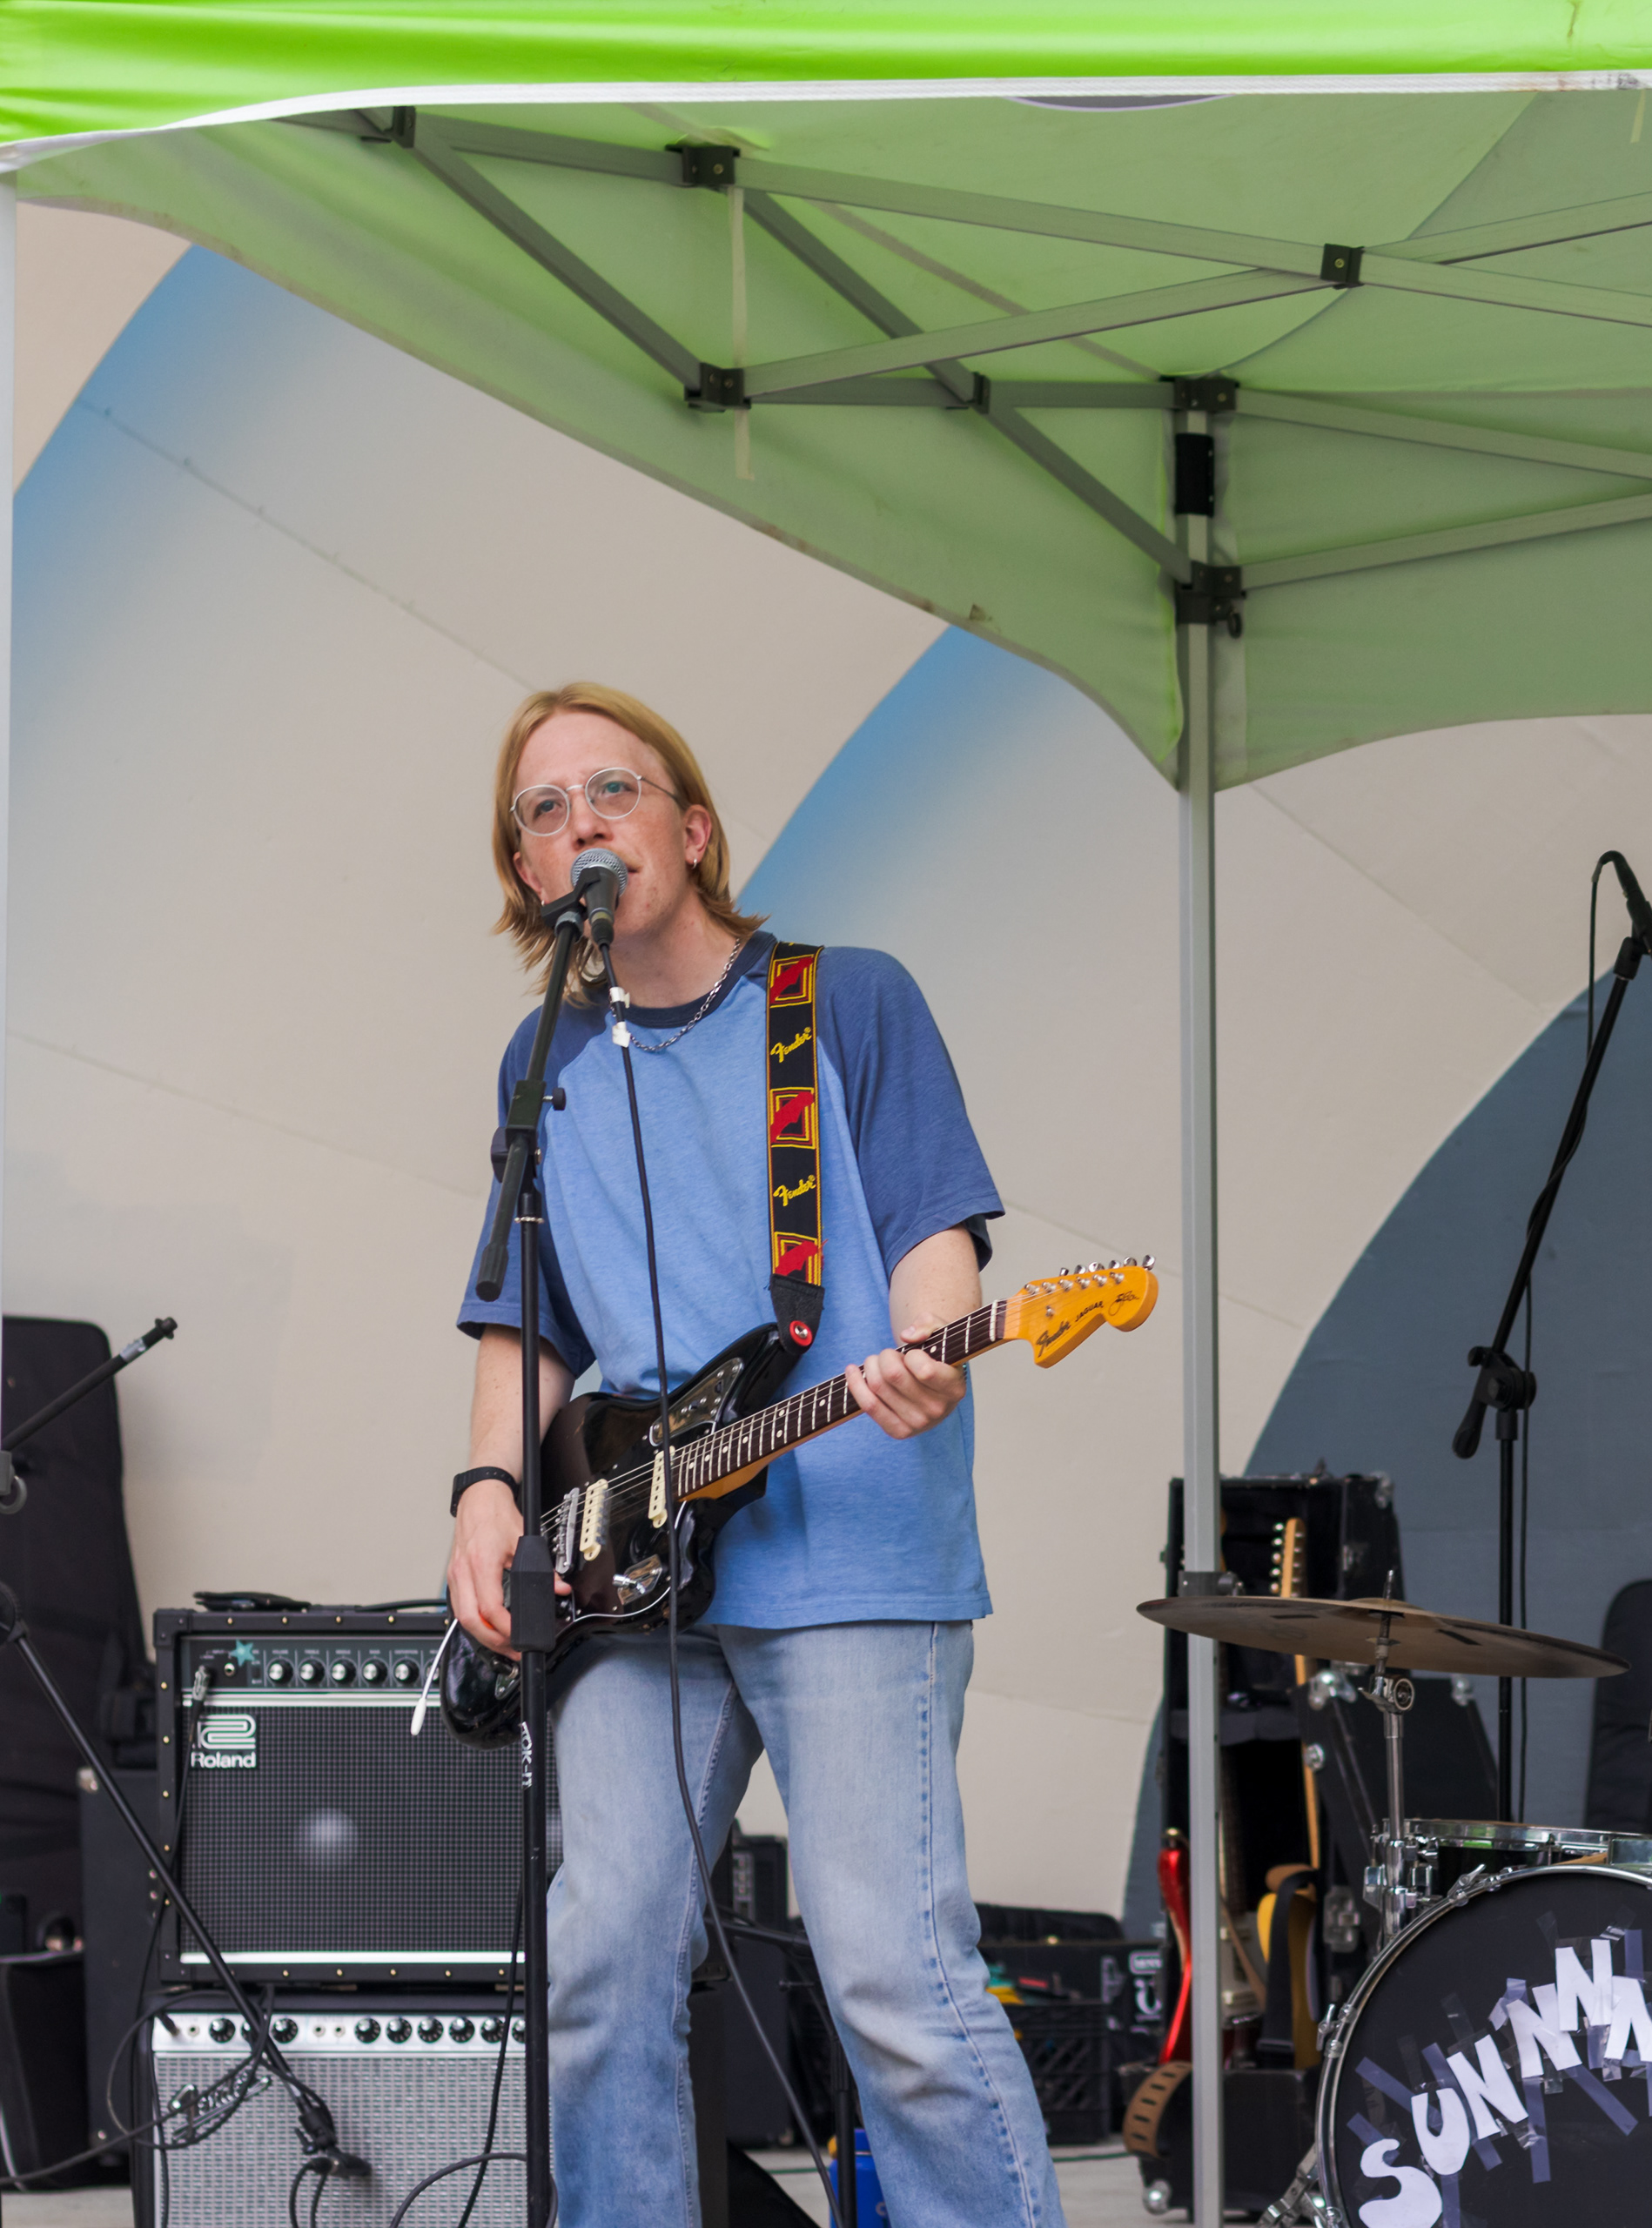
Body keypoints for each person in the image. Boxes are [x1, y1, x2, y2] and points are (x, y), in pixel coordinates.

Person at [444, 682, 1063, 2226]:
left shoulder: (844, 1000)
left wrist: (935, 1342)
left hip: (849, 1541)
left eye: (613, 790)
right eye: (543, 809)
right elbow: (525, 1326)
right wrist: (484, 1496)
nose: (579, 820)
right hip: (638, 1561)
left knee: (893, 1990)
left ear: (690, 828)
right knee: (595, 1965)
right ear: (528, 872)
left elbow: (936, 1229)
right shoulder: (544, 1066)